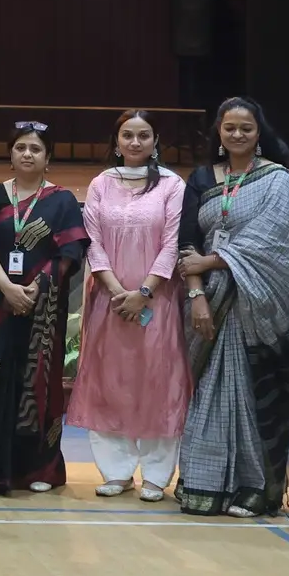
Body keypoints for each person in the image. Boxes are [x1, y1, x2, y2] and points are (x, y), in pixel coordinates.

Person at [176, 97, 289, 518]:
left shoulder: (277, 180)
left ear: (259, 134)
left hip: (263, 305)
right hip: (211, 304)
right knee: (210, 395)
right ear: (218, 133)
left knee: (260, 397)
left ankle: (257, 488)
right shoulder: (201, 178)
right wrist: (197, 296)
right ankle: (206, 483)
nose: (237, 134)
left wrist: (211, 262)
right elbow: (186, 244)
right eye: (229, 127)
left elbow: (271, 246)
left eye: (246, 128)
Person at [67, 110, 189, 501]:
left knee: (159, 382)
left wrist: (145, 292)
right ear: (116, 142)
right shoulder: (101, 183)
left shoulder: (172, 184)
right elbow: (93, 242)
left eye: (144, 135)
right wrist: (118, 291)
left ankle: (156, 474)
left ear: (156, 141)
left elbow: (172, 243)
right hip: (110, 299)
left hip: (158, 298)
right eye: (127, 135)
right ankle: (116, 472)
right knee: (110, 382)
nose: (135, 142)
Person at [0, 122, 87, 494]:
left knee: (38, 384)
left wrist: (35, 289)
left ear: (47, 158)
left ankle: (40, 469)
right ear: (10, 153)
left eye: (36, 149)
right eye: (20, 147)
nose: (27, 154)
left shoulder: (62, 200)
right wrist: (7, 288)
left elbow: (71, 252)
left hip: (43, 311)